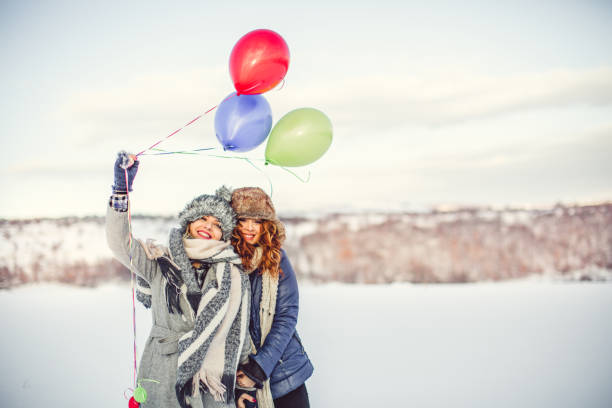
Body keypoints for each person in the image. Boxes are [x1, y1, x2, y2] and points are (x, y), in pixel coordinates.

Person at [106, 152, 251, 408]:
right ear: (189, 221)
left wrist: (243, 383)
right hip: (163, 372)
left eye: (217, 224)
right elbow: (120, 244)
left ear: (223, 235)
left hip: (209, 384)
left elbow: (238, 333)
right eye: (203, 218)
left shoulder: (234, 275)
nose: (208, 225)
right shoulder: (160, 261)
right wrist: (121, 190)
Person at [229, 187, 314, 408]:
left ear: (266, 225)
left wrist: (258, 369)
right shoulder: (224, 264)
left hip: (283, 373)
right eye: (243, 219)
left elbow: (286, 316)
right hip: (239, 379)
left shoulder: (276, 259)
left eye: (256, 221)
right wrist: (239, 381)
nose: (249, 227)